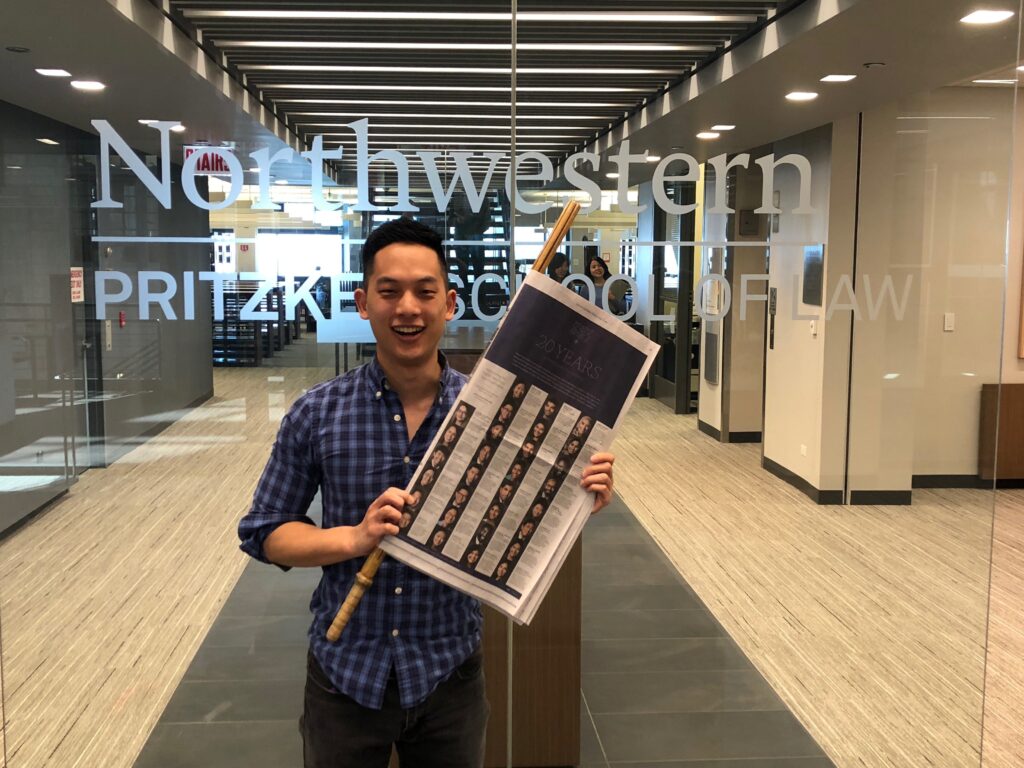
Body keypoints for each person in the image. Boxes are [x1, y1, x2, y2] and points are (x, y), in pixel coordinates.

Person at [238, 217, 616, 768]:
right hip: (345, 673)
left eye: (425, 292)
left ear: (450, 303)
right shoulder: (316, 413)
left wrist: (580, 498)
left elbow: (517, 524)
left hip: (448, 673)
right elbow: (265, 531)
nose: (407, 308)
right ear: (364, 303)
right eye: (389, 292)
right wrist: (354, 537)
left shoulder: (491, 413)